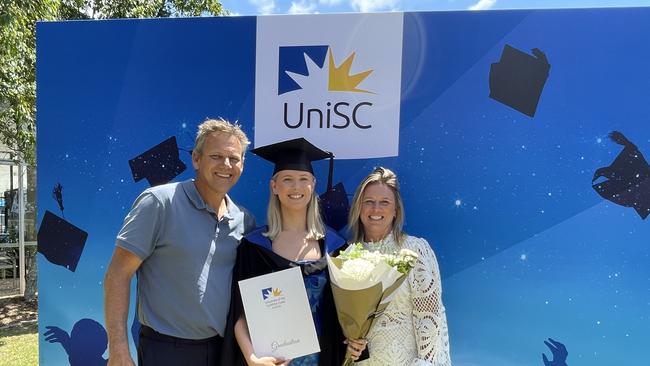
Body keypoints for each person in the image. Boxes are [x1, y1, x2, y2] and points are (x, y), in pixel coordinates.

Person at [104, 118, 256, 366]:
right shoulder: (159, 203)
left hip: (224, 351)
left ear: (242, 164)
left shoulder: (243, 220)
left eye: (234, 158)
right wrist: (118, 349)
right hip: (167, 352)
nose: (226, 165)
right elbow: (118, 275)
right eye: (216, 156)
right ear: (196, 159)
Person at [220, 138, 366, 366]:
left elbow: (347, 313)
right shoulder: (254, 247)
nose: (296, 187)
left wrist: (356, 339)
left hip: (324, 359)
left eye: (303, 179)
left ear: (313, 184)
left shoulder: (336, 247)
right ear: (274, 186)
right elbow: (240, 313)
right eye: (287, 179)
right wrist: (251, 358)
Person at [348, 167, 451, 365]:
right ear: (359, 207)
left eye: (384, 202)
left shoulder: (414, 250)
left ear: (395, 210)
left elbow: (429, 319)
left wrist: (424, 363)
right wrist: (349, 343)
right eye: (368, 202)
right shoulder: (348, 255)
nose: (376, 209)